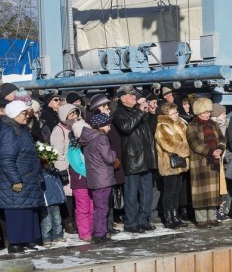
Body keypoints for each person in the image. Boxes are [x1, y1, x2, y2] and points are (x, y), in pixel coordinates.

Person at [0, 101, 44, 253]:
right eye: (23, 114)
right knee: (17, 210)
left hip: (27, 176)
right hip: (17, 178)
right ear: (14, 114)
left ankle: (26, 239)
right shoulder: (9, 132)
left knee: (27, 209)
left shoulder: (21, 129)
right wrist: (15, 179)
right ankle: (16, 242)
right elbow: (6, 159)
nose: (26, 117)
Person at [112, 85, 158, 233]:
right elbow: (126, 127)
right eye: (131, 95)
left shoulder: (138, 111)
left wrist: (151, 114)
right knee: (131, 193)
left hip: (145, 157)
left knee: (147, 192)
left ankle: (144, 220)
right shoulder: (119, 113)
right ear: (122, 98)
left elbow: (152, 129)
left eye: (134, 95)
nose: (134, 97)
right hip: (132, 158)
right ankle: (130, 222)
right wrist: (140, 111)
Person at [186, 97, 226, 227]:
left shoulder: (213, 124)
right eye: (205, 112)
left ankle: (212, 217)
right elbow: (194, 143)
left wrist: (220, 148)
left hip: (213, 162)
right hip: (200, 162)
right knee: (201, 192)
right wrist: (210, 151)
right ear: (198, 112)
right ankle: (201, 219)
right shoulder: (192, 125)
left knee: (213, 191)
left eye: (208, 111)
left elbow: (221, 138)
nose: (208, 114)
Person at [81, 113, 118, 243]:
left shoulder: (88, 138)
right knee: (103, 207)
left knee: (98, 206)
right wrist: (114, 153)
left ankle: (99, 231)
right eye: (108, 126)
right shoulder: (102, 139)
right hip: (103, 178)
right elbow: (109, 158)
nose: (110, 128)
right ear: (101, 126)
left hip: (94, 177)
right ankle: (99, 234)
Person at [155, 102, 191, 228]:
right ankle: (168, 217)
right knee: (169, 192)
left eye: (176, 112)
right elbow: (168, 144)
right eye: (173, 112)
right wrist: (186, 150)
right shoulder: (162, 126)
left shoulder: (180, 124)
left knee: (176, 191)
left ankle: (175, 216)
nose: (176, 114)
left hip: (180, 163)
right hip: (169, 163)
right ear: (166, 114)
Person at [51, 103, 82, 235]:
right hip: (67, 167)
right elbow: (57, 153)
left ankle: (78, 220)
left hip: (78, 166)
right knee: (68, 196)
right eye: (71, 114)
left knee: (78, 194)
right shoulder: (59, 130)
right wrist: (62, 170)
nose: (74, 116)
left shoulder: (77, 127)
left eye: (76, 113)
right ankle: (68, 221)